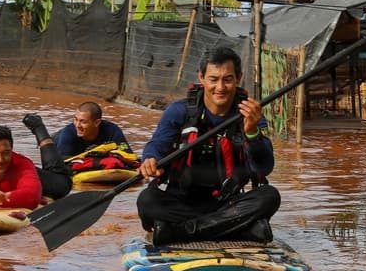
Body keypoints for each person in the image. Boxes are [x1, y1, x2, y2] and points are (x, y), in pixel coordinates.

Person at [136, 46, 280, 245]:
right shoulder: (178, 111)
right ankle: (240, 229)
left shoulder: (251, 115)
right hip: (181, 202)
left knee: (269, 196)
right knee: (147, 201)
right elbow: (157, 145)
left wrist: (252, 133)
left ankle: (182, 231)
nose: (220, 87)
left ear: (238, 78)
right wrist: (150, 159)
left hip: (227, 204)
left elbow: (264, 168)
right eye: (213, 79)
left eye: (227, 79)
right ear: (201, 78)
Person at [55, 101, 129, 158]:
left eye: (83, 122)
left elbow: (128, 156)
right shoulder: (68, 133)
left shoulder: (113, 131)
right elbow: (62, 165)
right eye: (76, 120)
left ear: (97, 123)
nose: (77, 125)